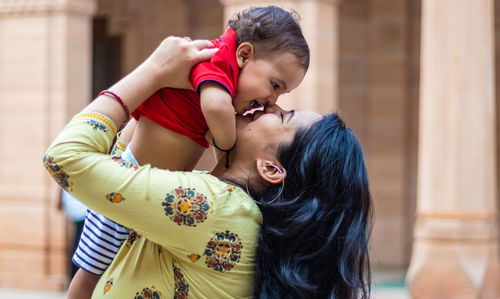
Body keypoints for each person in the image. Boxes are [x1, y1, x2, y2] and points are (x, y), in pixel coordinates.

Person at [44, 36, 372, 298]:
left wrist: (153, 72)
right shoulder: (230, 209)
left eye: (283, 116)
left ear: (272, 169)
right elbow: (122, 159)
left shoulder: (209, 207)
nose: (270, 105)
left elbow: (64, 159)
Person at [70, 5, 310, 297]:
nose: (271, 101)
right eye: (274, 85)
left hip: (141, 175)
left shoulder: (220, 73)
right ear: (244, 54)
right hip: (130, 174)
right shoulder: (215, 68)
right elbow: (214, 107)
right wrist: (227, 142)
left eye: (281, 96)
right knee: (92, 268)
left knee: (105, 264)